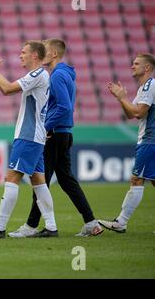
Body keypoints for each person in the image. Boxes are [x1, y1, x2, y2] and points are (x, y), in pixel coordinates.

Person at [8, 39, 103, 238]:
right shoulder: (65, 74)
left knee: (40, 180)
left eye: (46, 50)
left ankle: (32, 226)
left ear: (54, 54)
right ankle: (91, 222)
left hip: (55, 133)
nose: (42, 54)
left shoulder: (58, 75)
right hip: (64, 132)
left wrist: (46, 126)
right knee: (66, 180)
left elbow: (64, 107)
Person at [0, 41, 58, 238]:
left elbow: (7, 89)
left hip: (28, 135)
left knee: (12, 177)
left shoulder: (37, 74)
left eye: (23, 52)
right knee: (38, 180)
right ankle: (52, 227)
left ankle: (0, 227)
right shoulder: (39, 75)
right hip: (34, 135)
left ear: (35, 55)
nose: (20, 55)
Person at [99, 53, 155, 233]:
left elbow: (139, 112)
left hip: (150, 140)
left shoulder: (150, 85)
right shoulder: (143, 88)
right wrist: (120, 98)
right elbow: (130, 114)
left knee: (137, 179)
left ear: (147, 68)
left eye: (136, 63)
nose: (132, 66)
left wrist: (122, 98)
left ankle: (121, 222)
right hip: (149, 139)